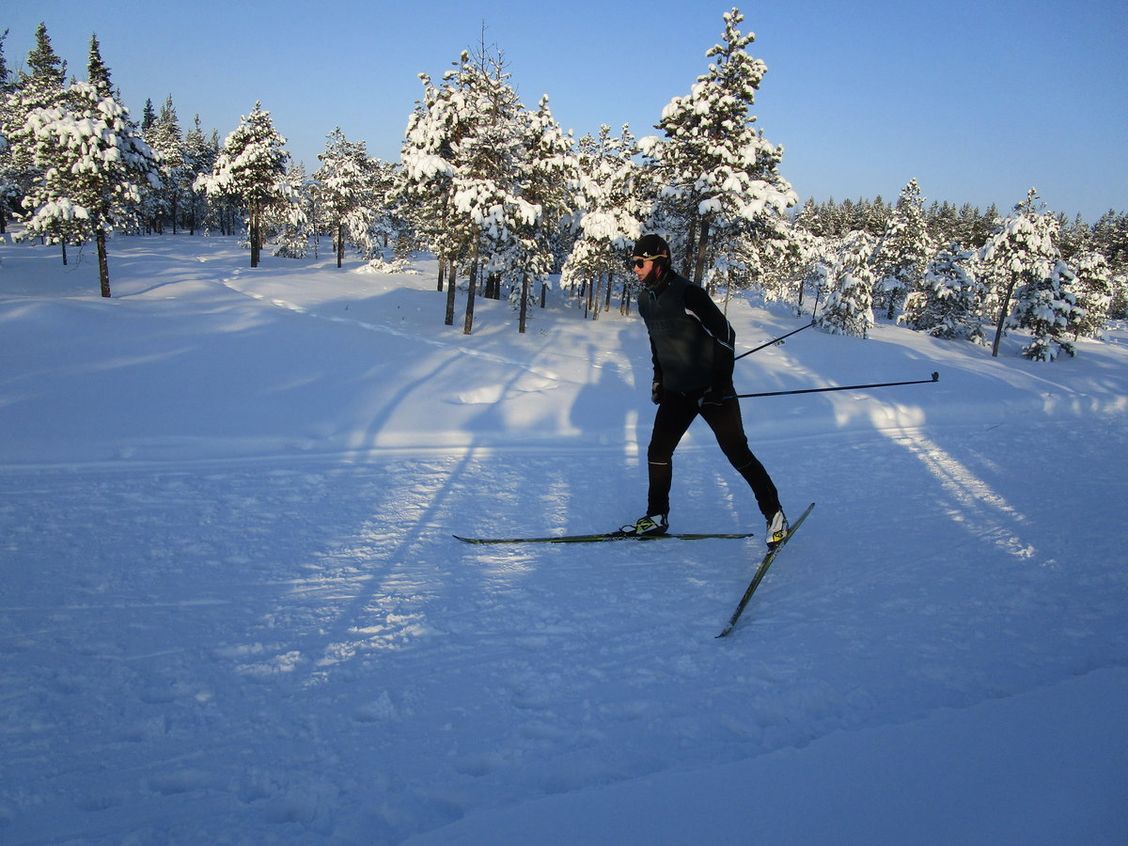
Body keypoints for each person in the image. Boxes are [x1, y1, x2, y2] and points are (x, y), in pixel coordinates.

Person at [623, 234, 789, 548]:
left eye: (640, 263)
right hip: (677, 392)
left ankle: (775, 514)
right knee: (658, 452)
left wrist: (721, 385)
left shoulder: (689, 294)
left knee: (737, 453)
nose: (636, 269)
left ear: (660, 261)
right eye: (633, 263)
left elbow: (726, 335)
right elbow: (657, 344)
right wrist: (658, 378)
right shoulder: (646, 300)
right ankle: (657, 517)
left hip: (712, 390)